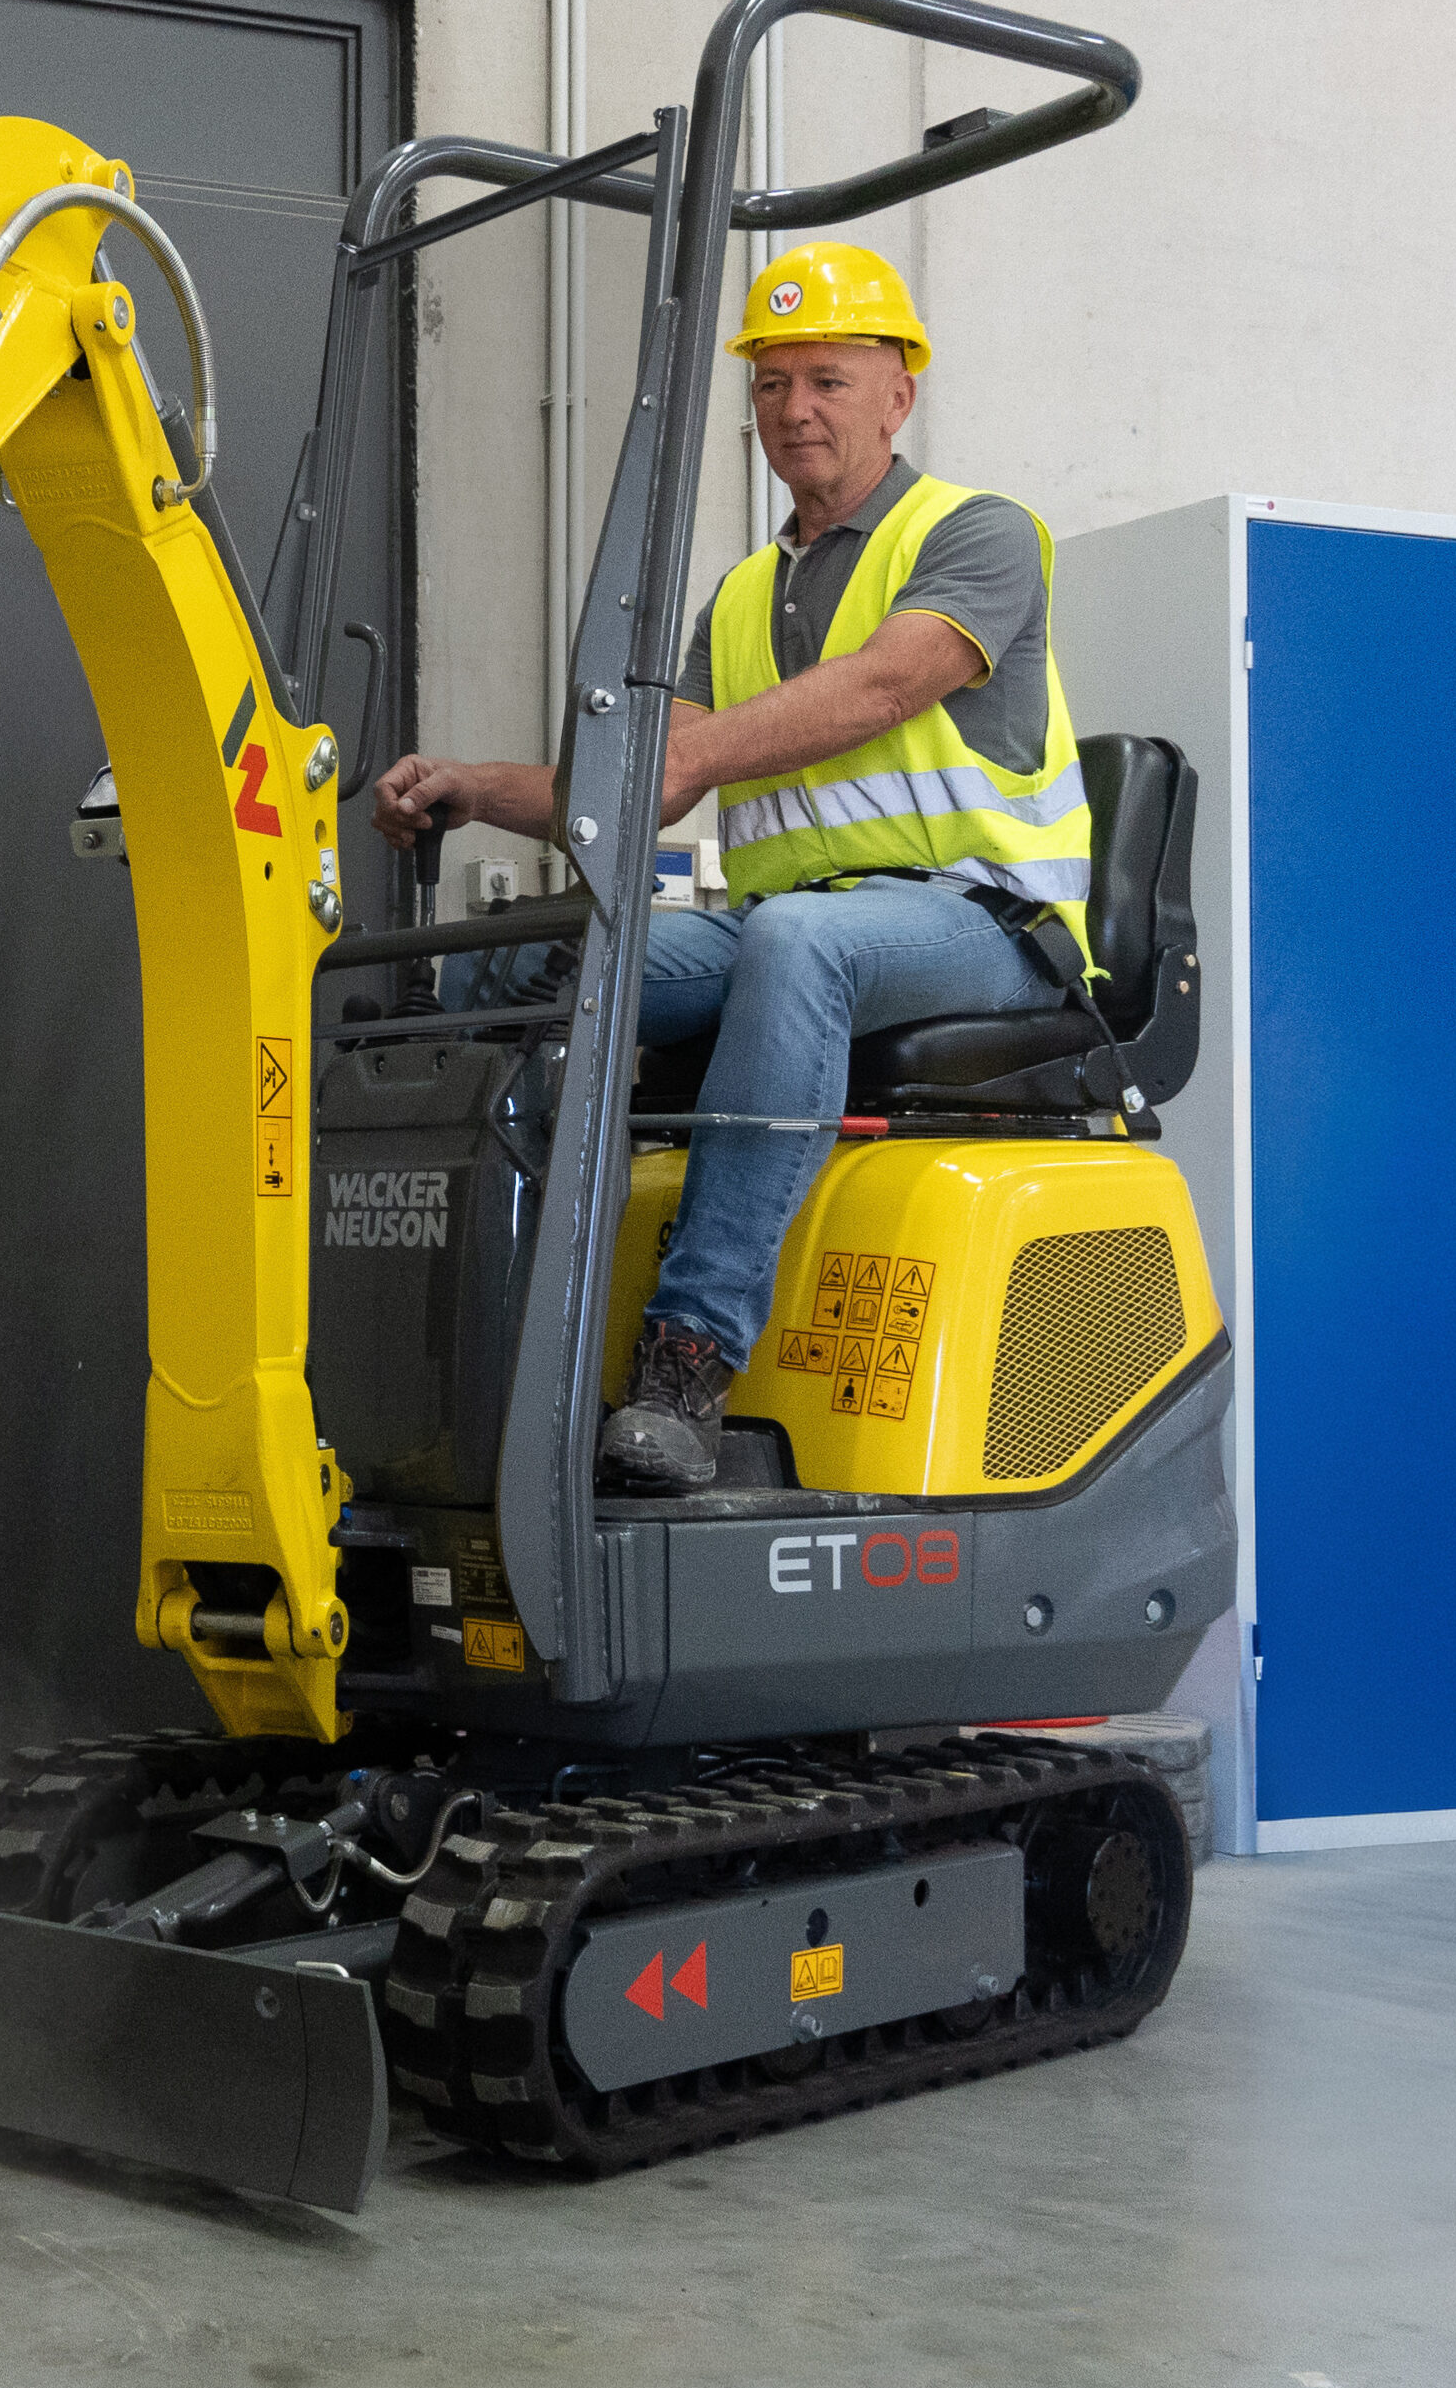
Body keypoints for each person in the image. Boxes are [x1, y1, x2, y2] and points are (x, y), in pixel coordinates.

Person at [369, 241, 1095, 1494]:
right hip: (792, 924)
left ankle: (688, 1354)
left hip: (984, 925)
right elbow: (640, 790)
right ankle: (492, 1334)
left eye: (825, 379)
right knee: (533, 951)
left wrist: (682, 753)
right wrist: (470, 787)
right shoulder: (746, 594)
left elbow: (881, 687)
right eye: (769, 383)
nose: (793, 407)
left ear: (896, 396)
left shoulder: (976, 534)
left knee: (791, 944)